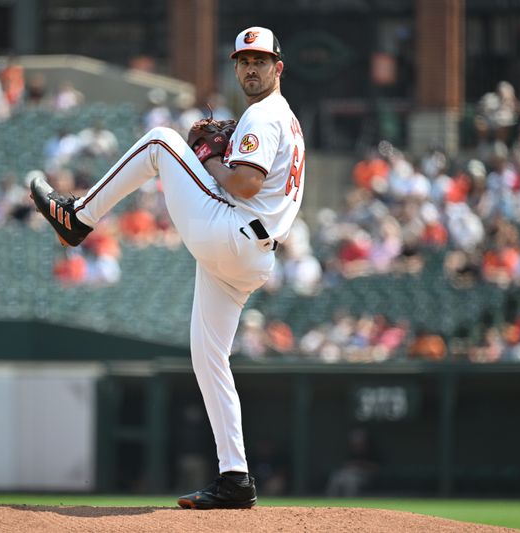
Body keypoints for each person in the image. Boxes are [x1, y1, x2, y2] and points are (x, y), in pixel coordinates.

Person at [30, 26, 304, 509]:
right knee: (208, 357)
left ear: (278, 68)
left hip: (234, 233)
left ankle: (77, 218)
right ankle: (236, 476)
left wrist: (206, 158)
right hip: (252, 254)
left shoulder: (263, 115)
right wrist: (214, 163)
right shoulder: (286, 119)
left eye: (261, 60)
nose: (251, 68)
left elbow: (241, 184)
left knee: (159, 141)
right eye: (243, 61)